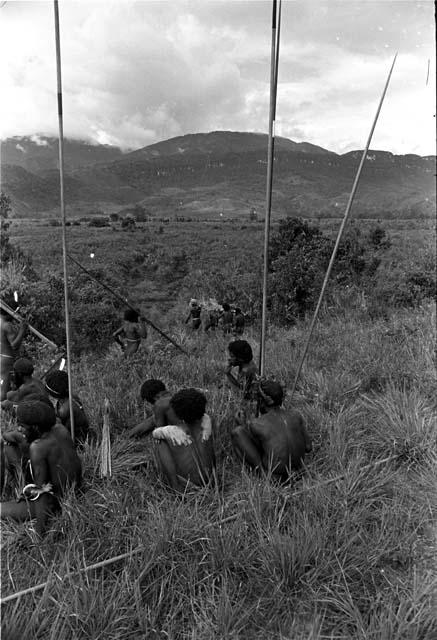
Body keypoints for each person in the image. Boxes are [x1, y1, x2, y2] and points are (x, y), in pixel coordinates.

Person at [1, 400, 82, 536]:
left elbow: (42, 493)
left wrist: (40, 533)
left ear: (36, 428)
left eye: (22, 426)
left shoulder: (38, 447)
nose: (19, 429)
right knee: (9, 448)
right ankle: (21, 484)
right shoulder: (60, 429)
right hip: (75, 490)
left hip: (55, 502)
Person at [231, 380, 312, 481]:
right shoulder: (296, 415)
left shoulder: (257, 424)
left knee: (237, 432)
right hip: (299, 472)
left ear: (264, 401)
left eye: (258, 398)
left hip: (277, 477)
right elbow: (308, 447)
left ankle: (263, 473)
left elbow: (254, 446)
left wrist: (243, 425)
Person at [152, 388, 215, 491]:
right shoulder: (207, 421)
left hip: (189, 487)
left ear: (177, 413)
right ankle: (213, 479)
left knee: (159, 440)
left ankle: (175, 486)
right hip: (210, 483)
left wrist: (160, 431)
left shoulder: (171, 431)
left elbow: (155, 433)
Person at [44, 370, 90, 446]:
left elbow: (54, 426)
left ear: (53, 394)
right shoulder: (69, 397)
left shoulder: (65, 409)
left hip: (78, 441)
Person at [0, 308, 28, 401]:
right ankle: (3, 409)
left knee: (4, 384)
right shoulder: (6, 325)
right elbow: (14, 345)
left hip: (2, 357)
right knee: (4, 390)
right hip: (7, 359)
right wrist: (22, 330)